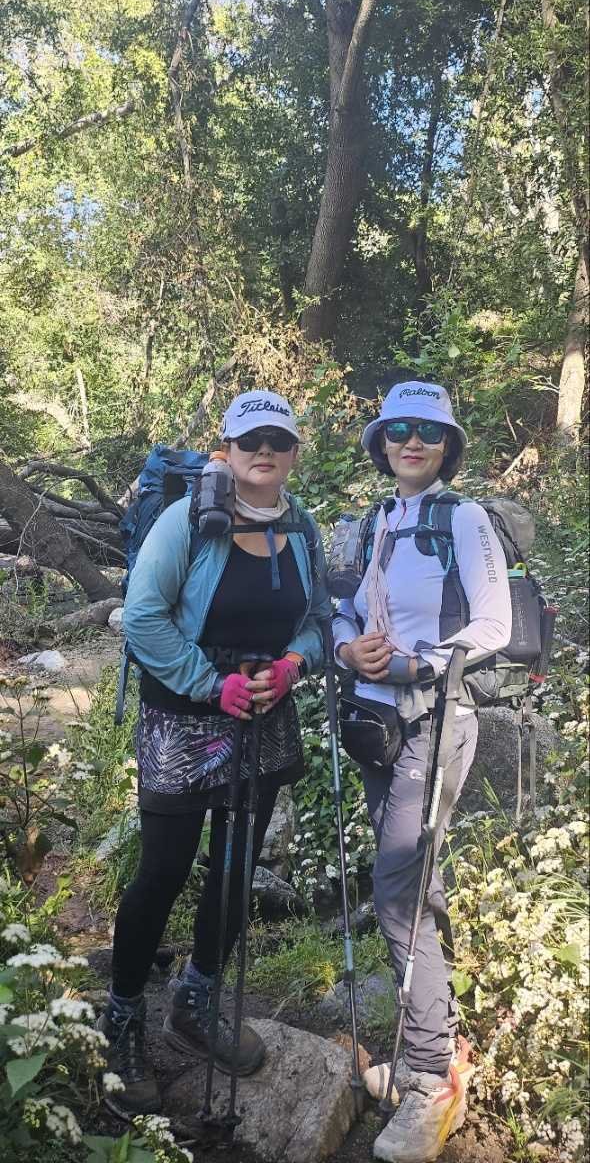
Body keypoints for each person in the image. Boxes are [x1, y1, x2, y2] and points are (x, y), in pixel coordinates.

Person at [99, 389, 329, 1118]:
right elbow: (142, 616)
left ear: (294, 453)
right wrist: (208, 683)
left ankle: (194, 1001)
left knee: (234, 874)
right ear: (225, 449)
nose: (264, 451)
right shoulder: (187, 521)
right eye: (249, 439)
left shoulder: (302, 527)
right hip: (183, 723)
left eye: (278, 440)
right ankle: (122, 1019)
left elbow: (319, 618)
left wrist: (294, 664)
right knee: (162, 873)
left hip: (263, 721)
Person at [332, 379, 512, 1163]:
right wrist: (349, 649)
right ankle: (431, 1044)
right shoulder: (374, 519)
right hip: (376, 722)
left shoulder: (463, 517)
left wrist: (417, 664)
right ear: (381, 442)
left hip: (436, 723)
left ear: (448, 445)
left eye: (429, 431)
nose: (412, 441)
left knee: (397, 890)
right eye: (398, 429)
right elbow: (343, 610)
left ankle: (432, 1076)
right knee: (417, 881)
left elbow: (495, 623)